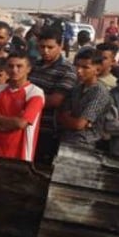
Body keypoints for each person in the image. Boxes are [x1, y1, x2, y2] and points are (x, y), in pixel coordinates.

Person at [0, 52, 45, 162]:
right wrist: (10, 124)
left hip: (21, 153)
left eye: (19, 66)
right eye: (10, 66)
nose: (14, 70)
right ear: (6, 68)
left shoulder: (35, 93)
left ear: (28, 69)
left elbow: (21, 123)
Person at [29, 27, 77, 163]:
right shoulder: (34, 65)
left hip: (47, 130)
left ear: (60, 46)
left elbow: (55, 100)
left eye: (50, 47)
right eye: (42, 47)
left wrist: (25, 101)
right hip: (28, 127)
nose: (45, 51)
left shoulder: (67, 70)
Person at [58, 49, 112, 149]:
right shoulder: (77, 88)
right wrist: (70, 120)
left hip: (85, 143)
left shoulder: (99, 92)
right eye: (77, 66)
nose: (78, 70)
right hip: (66, 139)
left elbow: (79, 124)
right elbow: (61, 116)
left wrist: (70, 120)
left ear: (97, 70)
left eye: (85, 67)